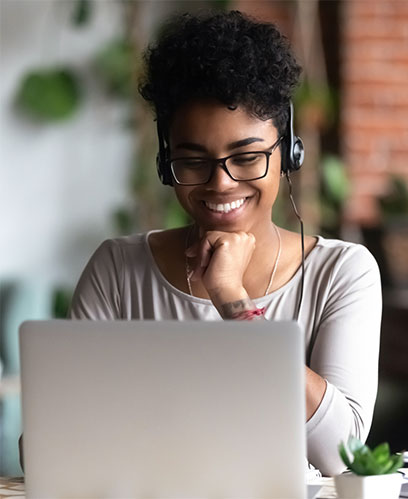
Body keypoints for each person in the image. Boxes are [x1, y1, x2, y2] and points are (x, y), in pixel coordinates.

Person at [68, 10, 381, 477]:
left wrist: (233, 300)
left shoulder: (342, 272)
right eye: (193, 162)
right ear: (165, 162)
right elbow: (54, 445)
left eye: (247, 157)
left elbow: (344, 455)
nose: (221, 183)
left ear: (288, 153)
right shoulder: (118, 268)